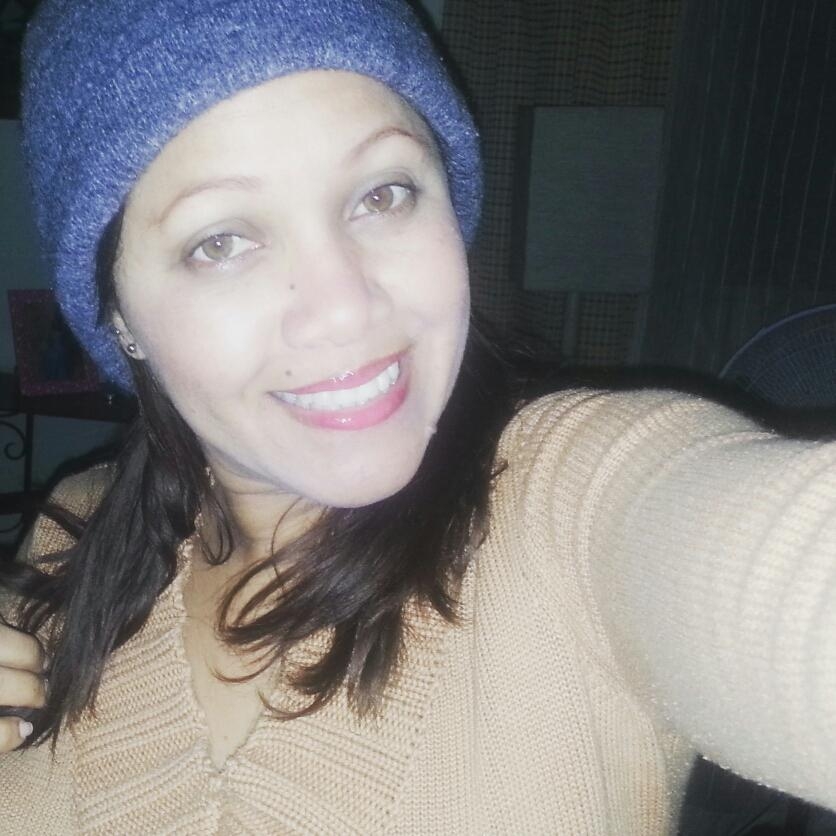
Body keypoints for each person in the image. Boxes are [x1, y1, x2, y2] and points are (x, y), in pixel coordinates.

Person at [1, 0, 836, 833]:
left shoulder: (573, 497)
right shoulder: (67, 545)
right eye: (220, 242)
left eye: (383, 193)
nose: (343, 307)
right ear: (118, 315)